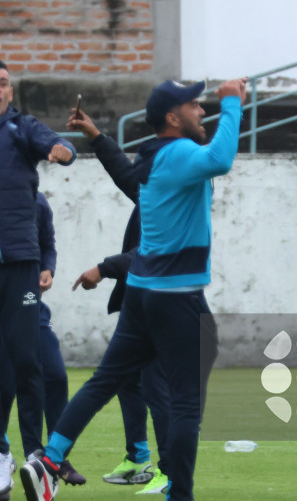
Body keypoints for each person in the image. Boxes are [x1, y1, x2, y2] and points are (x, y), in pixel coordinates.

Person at [20, 77, 247, 501]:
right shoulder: (180, 152)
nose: (202, 112)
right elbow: (220, 159)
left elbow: (128, 177)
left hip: (141, 292)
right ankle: (178, 494)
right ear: (171, 117)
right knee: (184, 404)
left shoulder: (156, 155)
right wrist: (232, 103)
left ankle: (49, 461)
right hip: (176, 297)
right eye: (195, 105)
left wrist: (97, 138)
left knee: (104, 381)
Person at [67, 109, 171, 494]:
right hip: (140, 299)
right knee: (129, 380)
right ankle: (139, 457)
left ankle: (169, 469)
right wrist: (95, 134)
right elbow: (125, 175)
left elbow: (153, 253)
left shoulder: (176, 195)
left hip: (162, 302)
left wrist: (104, 267)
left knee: (153, 385)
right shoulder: (155, 189)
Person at [0, 59, 76, 499]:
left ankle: (36, 458)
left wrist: (61, 150)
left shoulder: (22, 129)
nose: (0, 89)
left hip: (20, 267)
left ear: (11, 92)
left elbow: (59, 144)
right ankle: (1, 455)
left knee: (29, 361)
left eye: (5, 84)